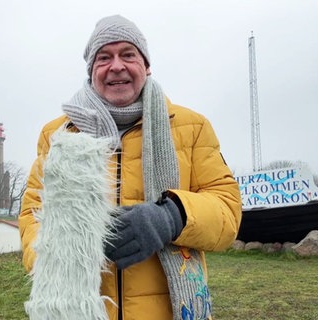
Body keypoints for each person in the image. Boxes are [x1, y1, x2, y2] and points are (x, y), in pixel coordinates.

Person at [19, 14, 242, 320]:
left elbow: (228, 213)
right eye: (104, 57)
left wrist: (171, 216)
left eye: (128, 54)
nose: (116, 66)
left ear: (146, 66)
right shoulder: (57, 135)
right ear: (92, 70)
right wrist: (61, 255)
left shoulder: (193, 127)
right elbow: (32, 215)